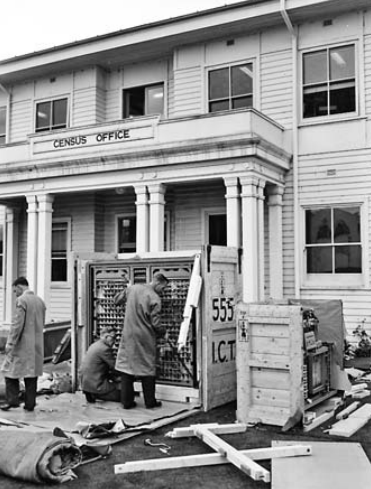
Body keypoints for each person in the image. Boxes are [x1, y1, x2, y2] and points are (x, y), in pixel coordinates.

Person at [114, 272, 169, 409]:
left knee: (127, 368)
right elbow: (155, 323)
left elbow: (117, 300)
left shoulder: (133, 288)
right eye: (163, 288)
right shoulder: (155, 298)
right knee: (147, 368)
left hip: (128, 334)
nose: (163, 292)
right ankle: (150, 402)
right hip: (145, 337)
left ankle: (126, 402)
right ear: (157, 283)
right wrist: (164, 332)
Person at [0, 276, 46, 412]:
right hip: (37, 344)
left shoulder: (22, 301)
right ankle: (30, 403)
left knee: (9, 372)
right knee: (31, 375)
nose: (16, 294)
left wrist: (10, 343)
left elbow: (17, 325)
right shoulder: (40, 301)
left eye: (15, 291)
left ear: (19, 287)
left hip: (22, 344)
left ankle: (12, 400)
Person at [80, 327, 121, 403]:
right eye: (113, 338)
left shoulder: (94, 345)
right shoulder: (104, 349)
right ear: (106, 337)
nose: (114, 341)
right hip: (96, 386)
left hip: (87, 385)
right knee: (125, 396)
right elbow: (115, 367)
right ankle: (96, 394)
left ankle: (92, 394)